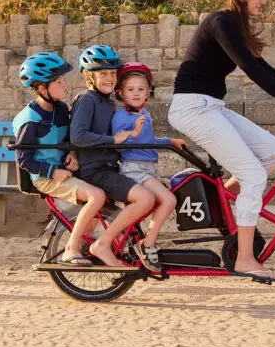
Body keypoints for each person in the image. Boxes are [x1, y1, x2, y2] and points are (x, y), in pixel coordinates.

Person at [167, 0, 275, 280]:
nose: (263, 1)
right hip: (193, 108)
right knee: (252, 176)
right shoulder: (220, 21)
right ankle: (245, 259)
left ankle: (219, 200)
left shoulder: (234, 25)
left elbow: (262, 66)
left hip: (211, 106)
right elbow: (250, 67)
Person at [13, 52, 109, 266]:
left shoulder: (60, 108)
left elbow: (67, 139)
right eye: (59, 81)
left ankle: (88, 242)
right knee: (96, 196)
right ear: (41, 88)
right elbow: (23, 159)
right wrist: (52, 172)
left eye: (63, 79)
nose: (65, 85)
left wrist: (71, 153)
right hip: (45, 177)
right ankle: (71, 249)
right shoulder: (30, 120)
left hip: (63, 171)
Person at [70, 45, 157, 269]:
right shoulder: (87, 99)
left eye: (112, 73)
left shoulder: (108, 102)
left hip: (109, 167)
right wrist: (113, 140)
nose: (109, 78)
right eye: (103, 74)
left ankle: (126, 242)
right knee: (145, 198)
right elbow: (78, 136)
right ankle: (103, 243)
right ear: (89, 76)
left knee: (155, 193)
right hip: (95, 170)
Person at [111, 62, 184, 272]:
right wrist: (133, 133)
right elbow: (121, 143)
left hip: (148, 168)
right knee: (169, 200)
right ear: (121, 93)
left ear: (147, 94)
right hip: (134, 168)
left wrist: (169, 141)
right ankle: (148, 243)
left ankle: (136, 236)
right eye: (130, 89)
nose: (136, 93)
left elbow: (148, 140)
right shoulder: (121, 116)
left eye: (140, 89)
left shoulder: (144, 115)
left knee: (168, 195)